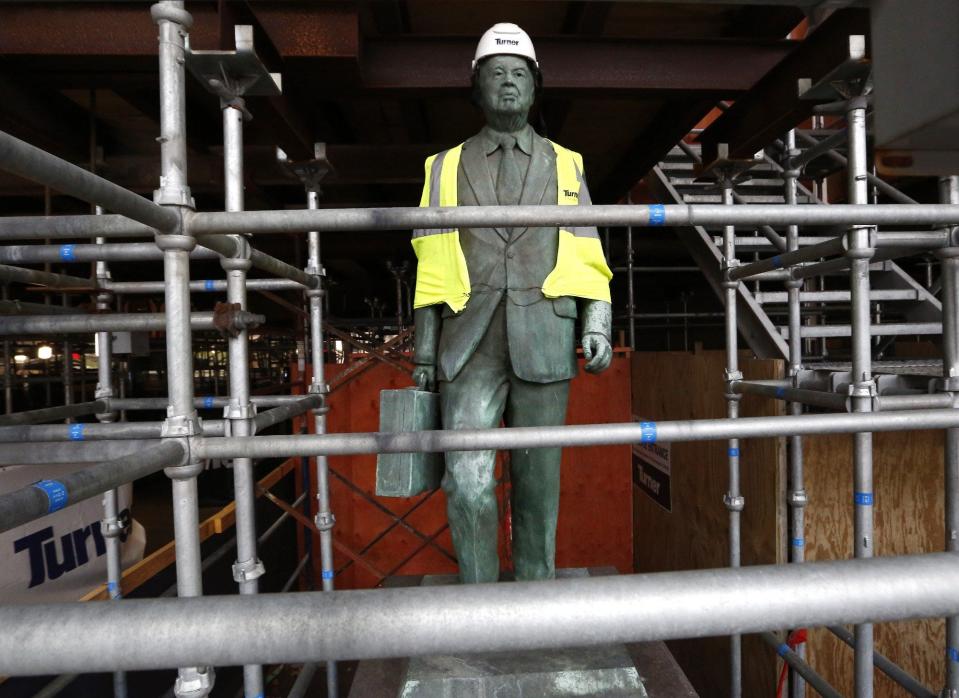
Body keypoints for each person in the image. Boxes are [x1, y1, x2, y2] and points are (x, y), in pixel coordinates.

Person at [411, 23, 613, 583]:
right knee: (468, 482)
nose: (508, 83)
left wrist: (596, 321)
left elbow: (587, 246)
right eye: (496, 73)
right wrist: (424, 354)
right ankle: (482, 605)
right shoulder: (443, 166)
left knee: (537, 488)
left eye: (518, 74)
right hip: (466, 343)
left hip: (545, 334)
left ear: (534, 87)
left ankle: (534, 604)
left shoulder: (567, 163)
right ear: (476, 87)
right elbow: (429, 260)